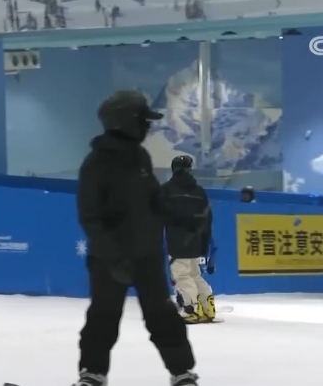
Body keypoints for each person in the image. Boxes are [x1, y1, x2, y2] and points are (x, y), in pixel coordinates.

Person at [75, 90, 199, 386]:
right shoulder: (97, 163)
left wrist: (179, 218)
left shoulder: (139, 157)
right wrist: (113, 259)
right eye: (144, 121)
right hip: (109, 259)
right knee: (103, 316)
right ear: (126, 121)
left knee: (163, 315)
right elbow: (90, 217)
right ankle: (92, 373)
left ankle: (182, 372)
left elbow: (154, 199)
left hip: (147, 255)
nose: (147, 127)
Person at [160, 156, 217, 324]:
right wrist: (204, 243)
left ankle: (190, 309)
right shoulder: (199, 191)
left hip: (177, 240)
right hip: (196, 241)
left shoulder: (167, 189)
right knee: (194, 274)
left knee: (181, 275)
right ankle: (208, 308)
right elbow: (207, 218)